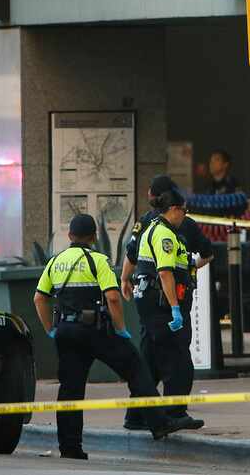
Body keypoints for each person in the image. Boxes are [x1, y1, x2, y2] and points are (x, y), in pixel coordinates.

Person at [33, 214, 182, 460]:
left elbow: (39, 298)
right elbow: (113, 298)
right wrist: (121, 329)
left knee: (70, 390)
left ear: (70, 236)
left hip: (66, 333)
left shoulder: (55, 262)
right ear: (93, 237)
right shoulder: (98, 260)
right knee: (135, 368)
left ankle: (70, 448)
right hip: (96, 331)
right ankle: (159, 423)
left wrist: (51, 329)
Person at [121, 175, 213, 430]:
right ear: (174, 207)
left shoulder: (147, 224)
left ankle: (138, 415)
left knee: (149, 358)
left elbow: (131, 255)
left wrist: (125, 279)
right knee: (178, 360)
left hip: (150, 303)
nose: (185, 214)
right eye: (183, 210)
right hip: (166, 302)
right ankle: (174, 413)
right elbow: (165, 271)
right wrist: (175, 307)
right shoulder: (167, 230)